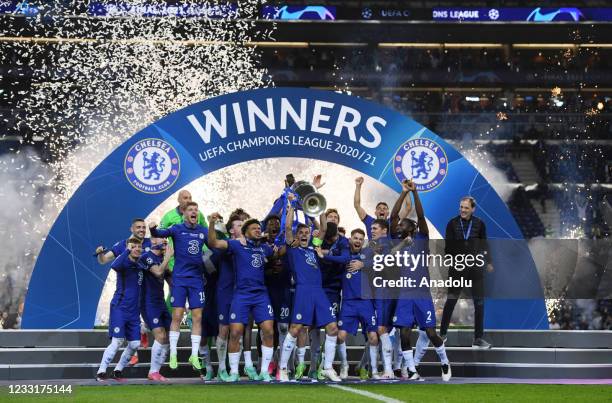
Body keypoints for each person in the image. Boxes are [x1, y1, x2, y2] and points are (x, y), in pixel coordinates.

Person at [389, 180, 451, 381]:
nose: (399, 224)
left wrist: (415, 193)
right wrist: (403, 191)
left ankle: (444, 362)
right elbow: (392, 216)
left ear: (412, 228)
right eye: (399, 224)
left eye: (403, 223)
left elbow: (422, 216)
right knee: (404, 333)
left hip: (422, 293)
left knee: (431, 333)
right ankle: (412, 370)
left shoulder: (422, 239)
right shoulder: (398, 241)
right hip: (405, 294)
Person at [207, 216, 279, 382]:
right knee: (236, 332)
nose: (258, 230)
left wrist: (289, 242)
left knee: (268, 330)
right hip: (241, 294)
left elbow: (278, 252)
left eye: (259, 228)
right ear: (246, 232)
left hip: (261, 295)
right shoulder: (236, 245)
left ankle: (264, 372)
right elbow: (213, 243)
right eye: (254, 228)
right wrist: (211, 223)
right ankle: (233, 372)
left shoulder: (264, 248)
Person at [278, 198, 341, 382]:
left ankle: (328, 368)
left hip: (319, 292)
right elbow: (288, 228)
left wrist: (318, 204)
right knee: (296, 328)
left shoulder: (314, 247)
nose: (304, 235)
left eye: (307, 232)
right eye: (302, 233)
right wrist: (290, 206)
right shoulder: (293, 248)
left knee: (332, 328)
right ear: (297, 237)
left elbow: (322, 228)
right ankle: (282, 368)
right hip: (303, 291)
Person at [149, 201, 209, 371]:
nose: (194, 212)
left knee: (197, 317)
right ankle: (173, 353)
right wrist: (153, 229)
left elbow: (214, 244)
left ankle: (194, 355)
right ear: (184, 213)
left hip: (197, 279)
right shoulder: (176, 228)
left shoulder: (202, 231)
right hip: (180, 279)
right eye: (190, 209)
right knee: (177, 315)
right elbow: (159, 232)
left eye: (196, 210)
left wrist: (215, 227)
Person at [96, 237, 164, 381]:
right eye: (134, 246)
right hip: (120, 308)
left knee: (134, 344)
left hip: (134, 311)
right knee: (117, 341)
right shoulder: (123, 262)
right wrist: (127, 249)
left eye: (139, 246)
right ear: (128, 248)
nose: (137, 249)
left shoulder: (141, 264)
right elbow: (114, 264)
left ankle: (118, 371)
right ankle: (101, 372)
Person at [316, 228, 380, 380]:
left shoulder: (367, 253)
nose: (357, 240)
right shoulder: (344, 255)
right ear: (350, 239)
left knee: (373, 337)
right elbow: (335, 257)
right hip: (349, 303)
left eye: (360, 239)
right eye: (355, 238)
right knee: (340, 336)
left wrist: (363, 264)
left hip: (366, 302)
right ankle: (344, 364)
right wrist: (322, 252)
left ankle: (374, 370)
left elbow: (381, 260)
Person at [94, 218, 151, 366]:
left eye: (144, 227)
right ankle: (135, 348)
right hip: (131, 292)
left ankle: (143, 329)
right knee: (130, 330)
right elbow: (104, 260)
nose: (142, 230)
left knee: (157, 320)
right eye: (138, 227)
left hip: (149, 290)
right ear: (131, 229)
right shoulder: (123, 245)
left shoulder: (150, 243)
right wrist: (100, 253)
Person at [440, 196, 493, 349]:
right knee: (451, 301)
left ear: (473, 209)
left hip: (475, 269)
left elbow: (485, 244)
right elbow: (448, 247)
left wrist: (489, 261)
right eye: (461, 207)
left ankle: (478, 339)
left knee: (479, 303)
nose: (463, 210)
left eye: (466, 208)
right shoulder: (452, 223)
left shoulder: (480, 224)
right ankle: (442, 335)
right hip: (457, 268)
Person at [138, 237, 173, 381]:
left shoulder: (162, 259)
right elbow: (158, 272)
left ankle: (144, 328)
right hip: (148, 302)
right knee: (160, 335)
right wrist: (168, 257)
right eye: (161, 239)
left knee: (169, 336)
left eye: (166, 239)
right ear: (153, 241)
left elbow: (171, 280)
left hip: (160, 302)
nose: (165, 241)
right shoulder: (146, 257)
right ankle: (153, 372)